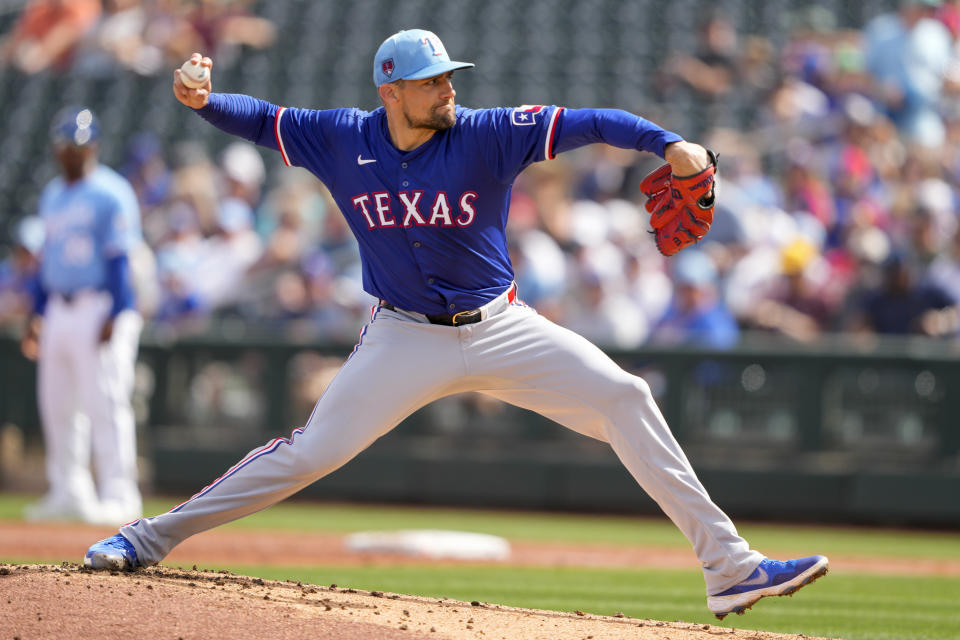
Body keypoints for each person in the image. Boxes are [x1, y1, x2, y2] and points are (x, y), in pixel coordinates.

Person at [85, 30, 828, 619]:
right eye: (434, 79)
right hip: (403, 335)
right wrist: (202, 100)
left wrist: (669, 143)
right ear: (392, 89)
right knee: (311, 453)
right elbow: (263, 120)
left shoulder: (485, 133)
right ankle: (146, 538)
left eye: (449, 76)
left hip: (503, 325)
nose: (449, 88)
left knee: (625, 395)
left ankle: (730, 569)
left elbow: (592, 121)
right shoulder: (343, 136)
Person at [21, 106, 144, 526]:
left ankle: (119, 494)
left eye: (76, 145)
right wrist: (36, 313)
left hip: (99, 305)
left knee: (105, 403)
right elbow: (44, 261)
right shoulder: (53, 194)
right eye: (63, 146)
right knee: (57, 404)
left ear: (92, 146)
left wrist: (118, 309)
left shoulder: (111, 191)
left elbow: (120, 259)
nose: (69, 153)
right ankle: (67, 491)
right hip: (59, 306)